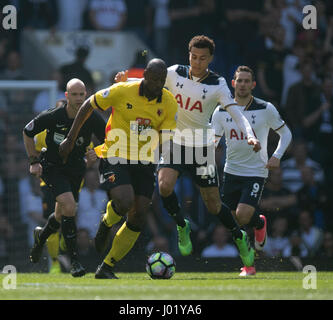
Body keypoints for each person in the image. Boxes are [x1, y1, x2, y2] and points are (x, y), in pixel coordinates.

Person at [115, 36, 261, 270]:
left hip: (201, 148)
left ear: (210, 59)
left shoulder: (218, 84)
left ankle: (238, 236)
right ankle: (181, 225)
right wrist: (125, 81)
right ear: (188, 54)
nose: (197, 62)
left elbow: (236, 112)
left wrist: (249, 134)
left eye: (203, 58)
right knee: (164, 186)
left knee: (213, 204)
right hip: (174, 143)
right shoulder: (174, 73)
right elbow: (149, 82)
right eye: (194, 56)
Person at [59, 58, 177, 279]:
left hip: (145, 160)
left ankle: (107, 266)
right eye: (153, 79)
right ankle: (106, 223)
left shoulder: (169, 102)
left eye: (161, 80)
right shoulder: (123, 90)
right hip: (115, 153)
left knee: (139, 214)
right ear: (145, 76)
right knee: (124, 201)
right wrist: (70, 138)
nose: (157, 84)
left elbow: (167, 136)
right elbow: (88, 105)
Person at [211, 65, 292, 276]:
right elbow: (214, 141)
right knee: (233, 221)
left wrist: (276, 156)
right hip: (231, 171)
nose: (243, 84)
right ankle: (249, 264)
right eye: (240, 81)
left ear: (253, 84)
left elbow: (287, 134)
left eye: (247, 81)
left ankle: (258, 222)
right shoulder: (221, 111)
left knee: (243, 215)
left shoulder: (266, 108)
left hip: (256, 171)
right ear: (233, 83)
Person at [22, 78, 106, 277]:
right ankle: (75, 261)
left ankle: (41, 237)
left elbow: (110, 140)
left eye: (82, 94)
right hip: (52, 168)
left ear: (87, 95)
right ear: (67, 96)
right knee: (70, 207)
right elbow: (27, 132)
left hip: (76, 169)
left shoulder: (92, 117)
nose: (78, 98)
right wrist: (34, 161)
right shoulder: (54, 116)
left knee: (61, 214)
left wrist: (99, 152)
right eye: (74, 95)